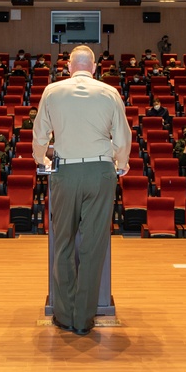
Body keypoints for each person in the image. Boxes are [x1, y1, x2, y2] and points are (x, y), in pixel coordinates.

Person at [33, 45, 132, 336]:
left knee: (63, 243)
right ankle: (84, 318)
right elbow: (123, 135)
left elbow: (40, 134)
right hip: (100, 172)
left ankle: (64, 315)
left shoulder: (52, 91)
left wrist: (43, 159)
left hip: (66, 172)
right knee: (93, 245)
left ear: (67, 67)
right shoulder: (110, 92)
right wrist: (121, 163)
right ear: (94, 68)